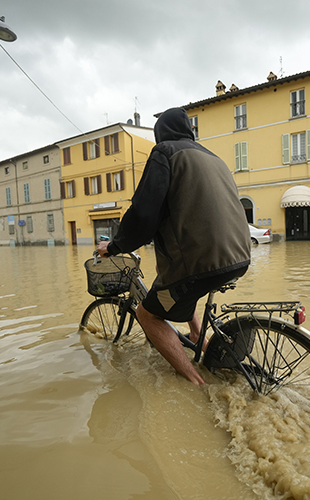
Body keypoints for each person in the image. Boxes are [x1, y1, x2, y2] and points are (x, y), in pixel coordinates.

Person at [97, 107, 251, 386]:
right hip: (239, 255)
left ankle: (195, 383)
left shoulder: (164, 152)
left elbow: (144, 213)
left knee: (147, 314)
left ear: (160, 134)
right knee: (176, 282)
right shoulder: (213, 158)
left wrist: (115, 246)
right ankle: (198, 337)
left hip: (201, 261)